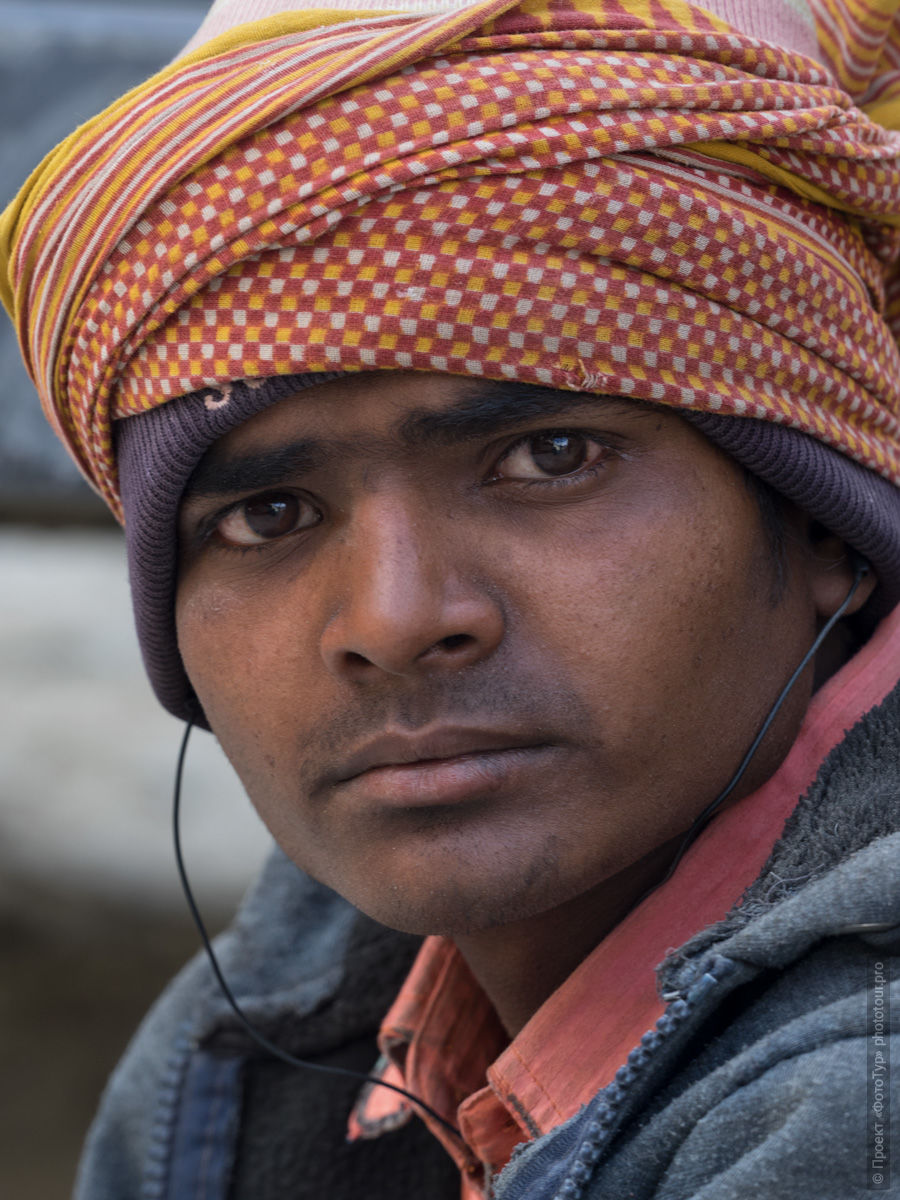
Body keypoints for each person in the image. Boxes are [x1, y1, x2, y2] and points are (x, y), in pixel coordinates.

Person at [3, 0, 900, 1196]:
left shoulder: (855, 1107)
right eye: (267, 515)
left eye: (549, 459)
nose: (395, 618)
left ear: (823, 521)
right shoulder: (290, 1016)